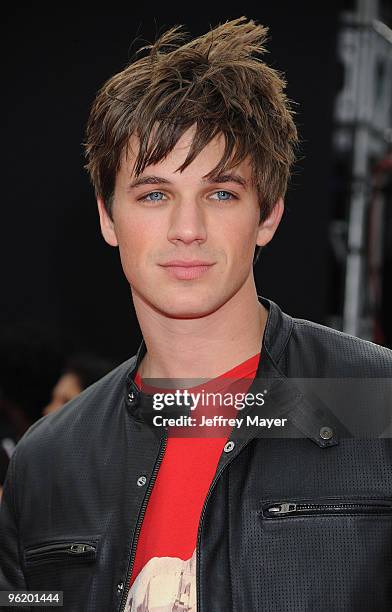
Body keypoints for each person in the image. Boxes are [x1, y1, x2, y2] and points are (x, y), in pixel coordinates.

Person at [1, 16, 392, 612]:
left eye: (221, 193)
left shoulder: (378, 404)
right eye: (155, 194)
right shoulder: (49, 461)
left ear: (269, 214)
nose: (188, 230)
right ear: (108, 217)